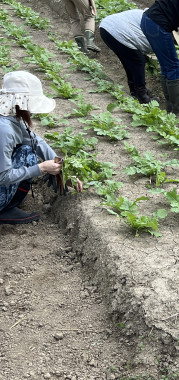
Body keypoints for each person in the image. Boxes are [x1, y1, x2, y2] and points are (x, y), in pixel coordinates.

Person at [0, 72, 83, 225]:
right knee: (27, 154)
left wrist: (64, 172)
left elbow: (37, 142)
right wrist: (42, 167)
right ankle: (4, 208)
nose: (31, 111)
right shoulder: (4, 129)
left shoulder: (8, 117)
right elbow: (2, 177)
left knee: (28, 149)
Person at [99, 9, 158, 104]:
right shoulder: (155, 27)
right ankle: (143, 97)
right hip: (116, 31)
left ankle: (134, 92)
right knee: (138, 61)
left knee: (129, 61)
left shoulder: (148, 15)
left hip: (105, 28)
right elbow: (143, 43)